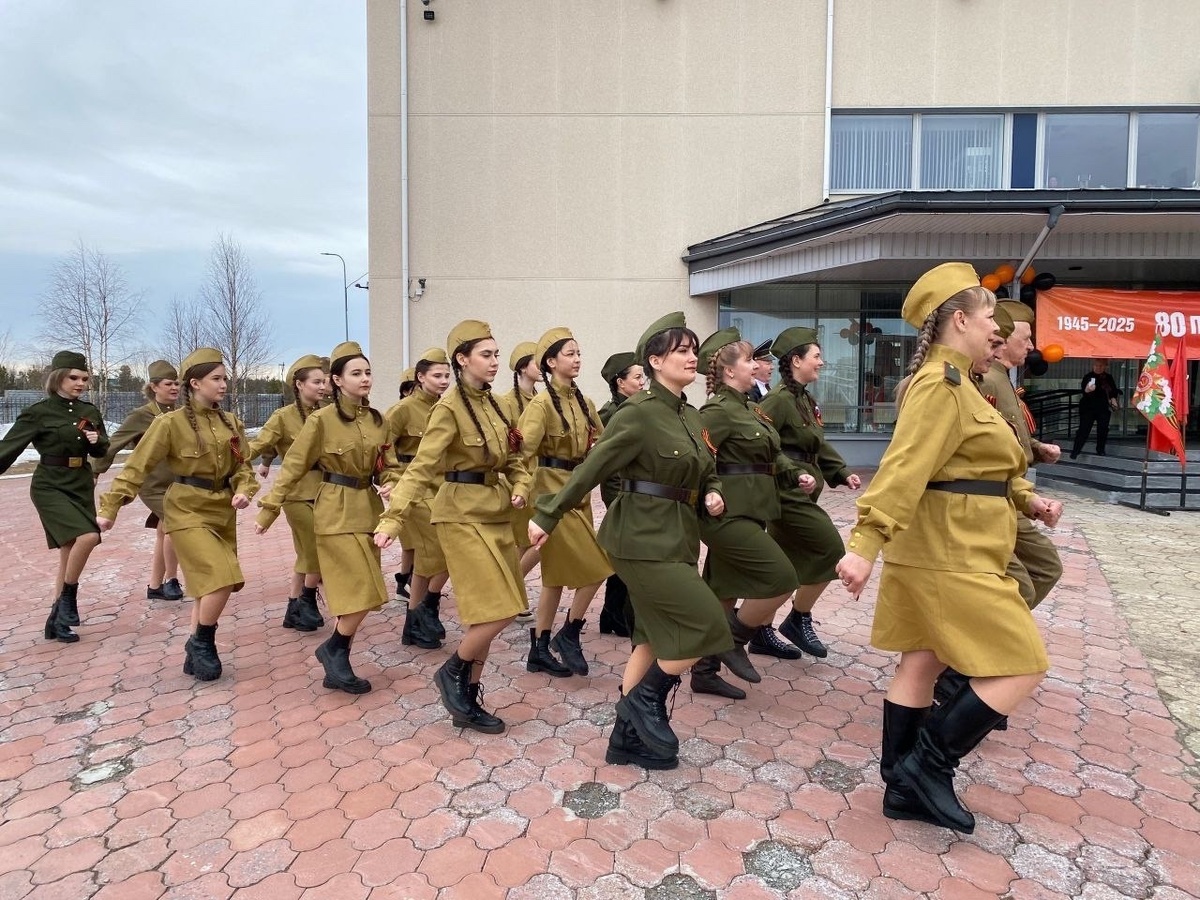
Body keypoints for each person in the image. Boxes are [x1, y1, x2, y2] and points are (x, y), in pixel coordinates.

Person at [836, 262, 1061, 834]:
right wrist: (863, 543)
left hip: (954, 546)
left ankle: (900, 787)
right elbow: (905, 468)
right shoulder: (941, 385)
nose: (996, 326)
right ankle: (927, 768)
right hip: (948, 552)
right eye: (988, 314)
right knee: (1023, 662)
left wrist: (1025, 498)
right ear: (959, 319)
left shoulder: (963, 383)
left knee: (923, 660)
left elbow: (976, 461)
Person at [530, 312, 732, 770]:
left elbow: (708, 471)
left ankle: (625, 738)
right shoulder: (637, 414)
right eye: (681, 350)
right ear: (655, 361)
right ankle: (642, 704)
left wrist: (715, 493)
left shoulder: (691, 416)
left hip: (678, 535)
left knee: (650, 636)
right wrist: (549, 513)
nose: (691, 356)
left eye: (693, 349)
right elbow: (593, 467)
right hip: (638, 536)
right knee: (705, 626)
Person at [376, 320, 532, 734]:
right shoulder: (448, 408)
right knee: (498, 610)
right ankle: (452, 672)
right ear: (462, 359)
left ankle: (466, 693)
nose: (495, 361)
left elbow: (513, 459)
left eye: (498, 354)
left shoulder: (495, 405)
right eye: (487, 354)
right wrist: (393, 518)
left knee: (493, 611)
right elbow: (422, 466)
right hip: (460, 515)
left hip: (495, 512)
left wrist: (520, 484)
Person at [98, 348, 256, 679]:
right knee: (222, 576)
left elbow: (244, 469)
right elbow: (136, 468)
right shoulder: (169, 423)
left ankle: (194, 648)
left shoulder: (233, 424)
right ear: (195, 383)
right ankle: (202, 643)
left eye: (225, 378)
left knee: (206, 582)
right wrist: (111, 506)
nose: (224, 384)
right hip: (185, 507)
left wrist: (244, 490)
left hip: (221, 509)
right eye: (216, 378)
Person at [256, 342, 401, 695]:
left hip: (368, 509)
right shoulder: (321, 420)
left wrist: (392, 485)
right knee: (360, 588)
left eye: (367, 372)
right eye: (356, 373)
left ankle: (336, 650)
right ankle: (336, 651)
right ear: (337, 380)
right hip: (334, 509)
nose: (365, 378)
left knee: (367, 593)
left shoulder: (378, 421)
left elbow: (390, 467)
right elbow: (292, 466)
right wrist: (269, 508)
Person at [693, 328, 813, 700]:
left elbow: (772, 454)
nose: (758, 365)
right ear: (729, 371)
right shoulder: (717, 410)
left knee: (724, 589)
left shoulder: (750, 408)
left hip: (753, 509)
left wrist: (796, 473)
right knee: (781, 577)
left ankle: (704, 670)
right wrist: (710, 493)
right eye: (748, 360)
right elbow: (696, 458)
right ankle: (733, 640)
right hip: (726, 514)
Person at [757, 327, 862, 660]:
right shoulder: (778, 400)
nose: (822, 361)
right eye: (816, 356)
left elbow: (817, 445)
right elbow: (760, 444)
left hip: (803, 492)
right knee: (831, 551)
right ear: (797, 360)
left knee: (784, 564)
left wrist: (841, 472)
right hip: (786, 494)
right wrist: (792, 470)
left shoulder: (803, 398)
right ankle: (797, 619)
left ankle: (760, 631)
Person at [518, 327, 614, 677]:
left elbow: (602, 444)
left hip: (578, 494)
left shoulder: (584, 402)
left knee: (554, 579)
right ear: (551, 362)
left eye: (578, 353)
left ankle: (539, 648)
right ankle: (570, 632)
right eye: (570, 353)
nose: (577, 359)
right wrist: (520, 492)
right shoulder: (541, 404)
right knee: (600, 565)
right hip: (551, 496)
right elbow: (522, 453)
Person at [1, 350, 110, 643]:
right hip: (50, 484)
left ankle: (56, 621)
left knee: (69, 550)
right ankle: (68, 600)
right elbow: (8, 448)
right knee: (88, 536)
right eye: (73, 377)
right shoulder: (39, 412)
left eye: (85, 378)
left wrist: (97, 440)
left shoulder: (90, 412)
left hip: (80, 483)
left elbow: (102, 451)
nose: (80, 383)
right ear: (58, 377)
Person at [92, 360, 184, 603]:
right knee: (176, 525)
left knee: (165, 531)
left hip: (178, 483)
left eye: (177, 383)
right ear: (154, 387)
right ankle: (171, 579)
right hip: (153, 485)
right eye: (168, 384)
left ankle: (155, 586)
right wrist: (95, 472)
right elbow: (113, 444)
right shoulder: (141, 416)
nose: (174, 388)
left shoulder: (181, 414)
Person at [248, 354, 328, 633]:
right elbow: (258, 446)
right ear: (299, 384)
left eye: (324, 381)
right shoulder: (283, 417)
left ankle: (294, 607)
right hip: (296, 495)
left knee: (307, 553)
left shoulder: (327, 413)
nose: (322, 386)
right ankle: (305, 600)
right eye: (316, 381)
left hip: (325, 493)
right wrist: (228, 460)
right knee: (317, 550)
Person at [384, 347, 453, 648]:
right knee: (443, 550)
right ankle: (427, 608)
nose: (443, 381)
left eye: (447, 375)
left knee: (429, 558)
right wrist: (390, 479)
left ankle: (415, 622)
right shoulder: (403, 410)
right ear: (420, 377)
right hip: (414, 489)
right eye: (437, 375)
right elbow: (382, 446)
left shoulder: (447, 407)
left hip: (441, 486)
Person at [596, 351, 643, 637]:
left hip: (632, 490)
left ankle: (611, 614)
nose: (642, 382)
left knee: (624, 553)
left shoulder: (637, 408)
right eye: (637, 377)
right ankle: (620, 614)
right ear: (620, 382)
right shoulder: (611, 413)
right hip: (618, 490)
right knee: (628, 552)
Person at [497, 340, 540, 623]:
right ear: (524, 368)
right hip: (518, 478)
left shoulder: (541, 399)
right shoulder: (506, 402)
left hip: (541, 478)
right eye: (537, 361)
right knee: (522, 542)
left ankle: (513, 590)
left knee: (533, 541)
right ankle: (512, 591)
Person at [388, 365, 418, 599]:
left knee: (419, 540)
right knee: (412, 538)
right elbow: (384, 445)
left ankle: (408, 578)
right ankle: (407, 579)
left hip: (433, 478)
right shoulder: (400, 411)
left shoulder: (436, 409)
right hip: (406, 474)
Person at [1070, 358, 1121, 458]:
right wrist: (1088, 389)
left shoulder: (1108, 377)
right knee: (1083, 430)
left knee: (1103, 429)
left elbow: (1113, 391)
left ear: (1105, 366)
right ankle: (1075, 451)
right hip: (1088, 408)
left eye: (1100, 366)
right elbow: (1084, 390)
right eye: (1096, 365)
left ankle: (1100, 449)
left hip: (1103, 407)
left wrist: (1113, 399)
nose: (1098, 368)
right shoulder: (1088, 377)